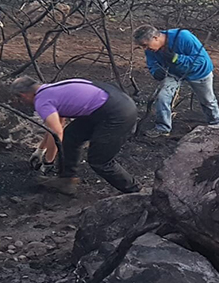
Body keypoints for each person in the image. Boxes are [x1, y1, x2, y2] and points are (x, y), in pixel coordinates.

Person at [10, 76, 140, 196]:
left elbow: (56, 133)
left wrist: (48, 162)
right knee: (71, 137)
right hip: (111, 104)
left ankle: (135, 191)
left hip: (116, 114)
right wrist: (41, 150)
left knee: (100, 161)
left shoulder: (42, 101)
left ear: (24, 95)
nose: (21, 102)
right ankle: (66, 181)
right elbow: (56, 126)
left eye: (19, 99)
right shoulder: (52, 89)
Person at [133, 25, 219, 137]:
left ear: (155, 38)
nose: (145, 49)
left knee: (208, 100)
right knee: (162, 97)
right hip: (173, 72)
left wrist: (176, 58)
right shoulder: (151, 49)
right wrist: (156, 72)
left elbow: (200, 60)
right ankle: (163, 127)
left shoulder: (183, 37)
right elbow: (152, 64)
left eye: (145, 45)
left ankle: (218, 125)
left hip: (199, 72)